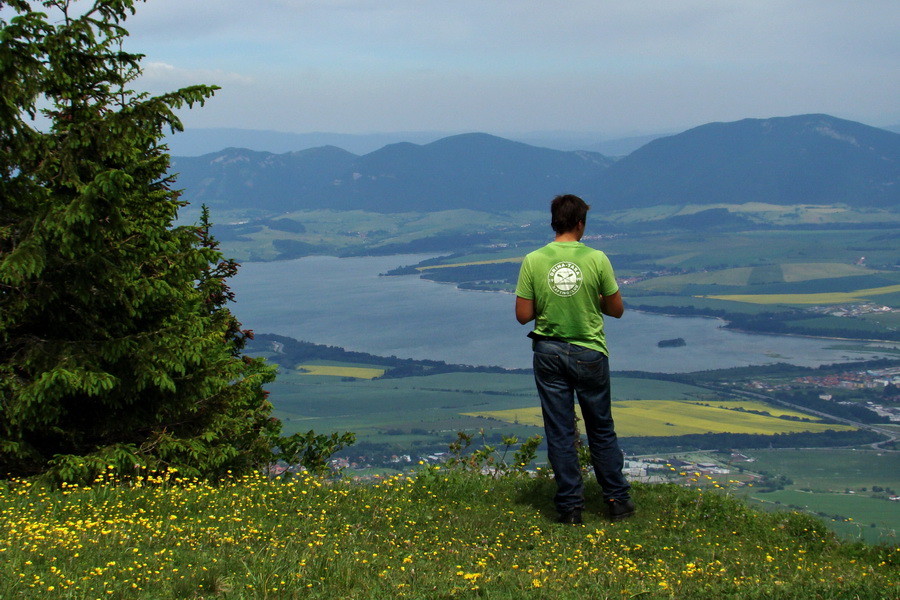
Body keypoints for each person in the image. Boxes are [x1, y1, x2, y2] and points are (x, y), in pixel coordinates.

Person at [514, 194, 635, 525]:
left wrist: (550, 302)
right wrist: (589, 298)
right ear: (581, 223)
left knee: (560, 430)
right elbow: (617, 310)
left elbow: (523, 315)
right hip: (589, 352)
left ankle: (569, 507)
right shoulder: (597, 259)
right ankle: (617, 501)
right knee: (601, 428)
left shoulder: (533, 260)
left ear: (554, 221)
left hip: (549, 351)